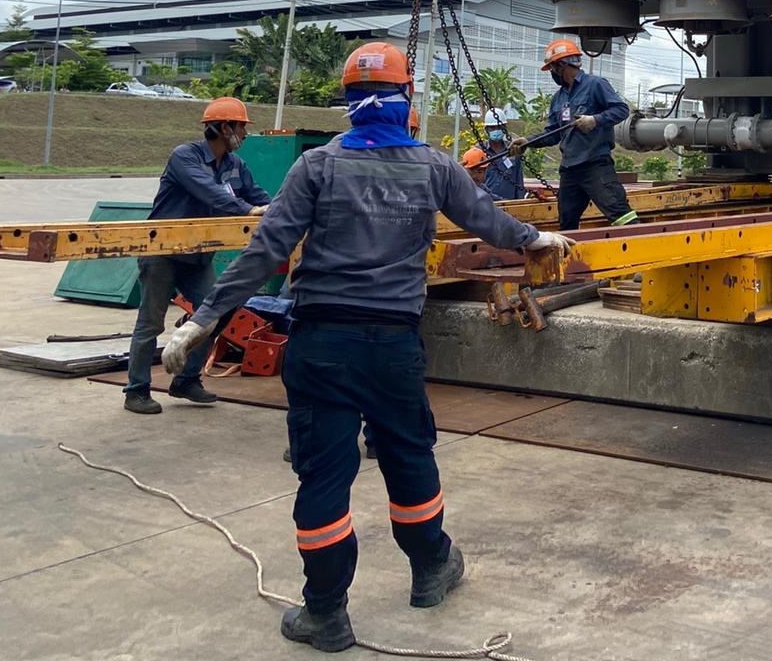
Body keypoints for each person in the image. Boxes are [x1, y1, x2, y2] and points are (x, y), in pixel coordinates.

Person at [162, 42, 570, 652]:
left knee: (324, 474)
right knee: (407, 456)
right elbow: (487, 220)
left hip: (322, 343)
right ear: (406, 96)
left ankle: (326, 613)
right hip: (391, 345)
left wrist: (203, 322)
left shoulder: (317, 166)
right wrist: (537, 238)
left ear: (348, 101)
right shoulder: (433, 166)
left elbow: (266, 250)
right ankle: (431, 568)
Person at [123, 96, 270, 415]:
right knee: (150, 323)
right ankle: (136, 390)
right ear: (223, 128)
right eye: (241, 127)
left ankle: (186, 380)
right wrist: (248, 210)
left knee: (217, 311)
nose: (244, 134)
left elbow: (258, 195)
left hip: (199, 255)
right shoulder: (185, 157)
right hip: (162, 251)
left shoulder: (235, 165)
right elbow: (210, 192)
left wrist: (279, 210)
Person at [532, 38, 636, 231]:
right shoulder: (558, 98)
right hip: (570, 170)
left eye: (553, 68)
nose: (552, 73)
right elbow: (553, 134)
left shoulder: (595, 85)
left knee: (621, 215)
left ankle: (639, 241)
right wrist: (526, 142)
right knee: (567, 223)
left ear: (562, 65)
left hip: (594, 165)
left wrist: (595, 120)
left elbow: (621, 110)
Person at [463, 116, 526, 201]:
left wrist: (520, 202)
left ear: (504, 128)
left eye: (499, 127)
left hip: (510, 203)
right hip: (485, 203)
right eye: (492, 127)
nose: (496, 130)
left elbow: (519, 179)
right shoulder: (479, 151)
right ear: (486, 130)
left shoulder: (513, 150)